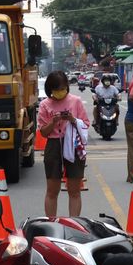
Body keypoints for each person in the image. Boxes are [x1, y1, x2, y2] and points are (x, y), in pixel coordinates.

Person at [37, 70, 91, 217]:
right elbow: (43, 132)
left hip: (73, 144)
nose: (60, 92)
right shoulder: (44, 105)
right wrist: (53, 122)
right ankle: (51, 223)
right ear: (50, 90)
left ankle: (74, 224)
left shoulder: (76, 101)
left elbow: (85, 124)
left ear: (67, 86)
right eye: (56, 90)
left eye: (62, 89)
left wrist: (73, 119)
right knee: (52, 191)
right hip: (53, 146)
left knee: (74, 191)